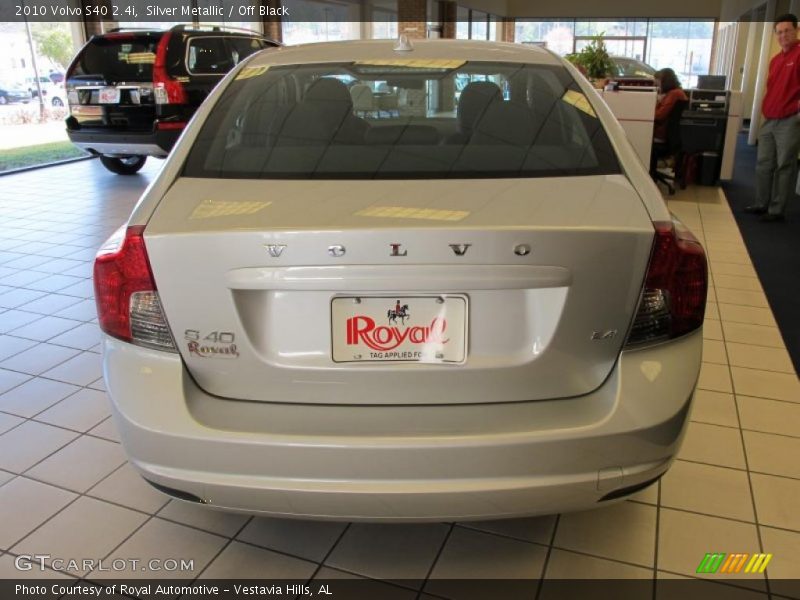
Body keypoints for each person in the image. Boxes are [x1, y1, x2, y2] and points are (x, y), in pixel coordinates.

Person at [748, 13, 800, 222]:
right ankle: (761, 203)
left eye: (787, 30)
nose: (783, 35)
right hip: (770, 117)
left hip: (789, 118)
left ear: (796, 30)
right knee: (763, 162)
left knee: (784, 165)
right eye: (779, 32)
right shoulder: (776, 59)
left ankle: (776, 210)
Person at [653, 68, 688, 143]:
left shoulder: (673, 94)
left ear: (664, 81)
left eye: (658, 83)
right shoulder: (678, 92)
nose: (658, 86)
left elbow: (659, 116)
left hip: (660, 134)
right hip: (666, 133)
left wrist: (657, 102)